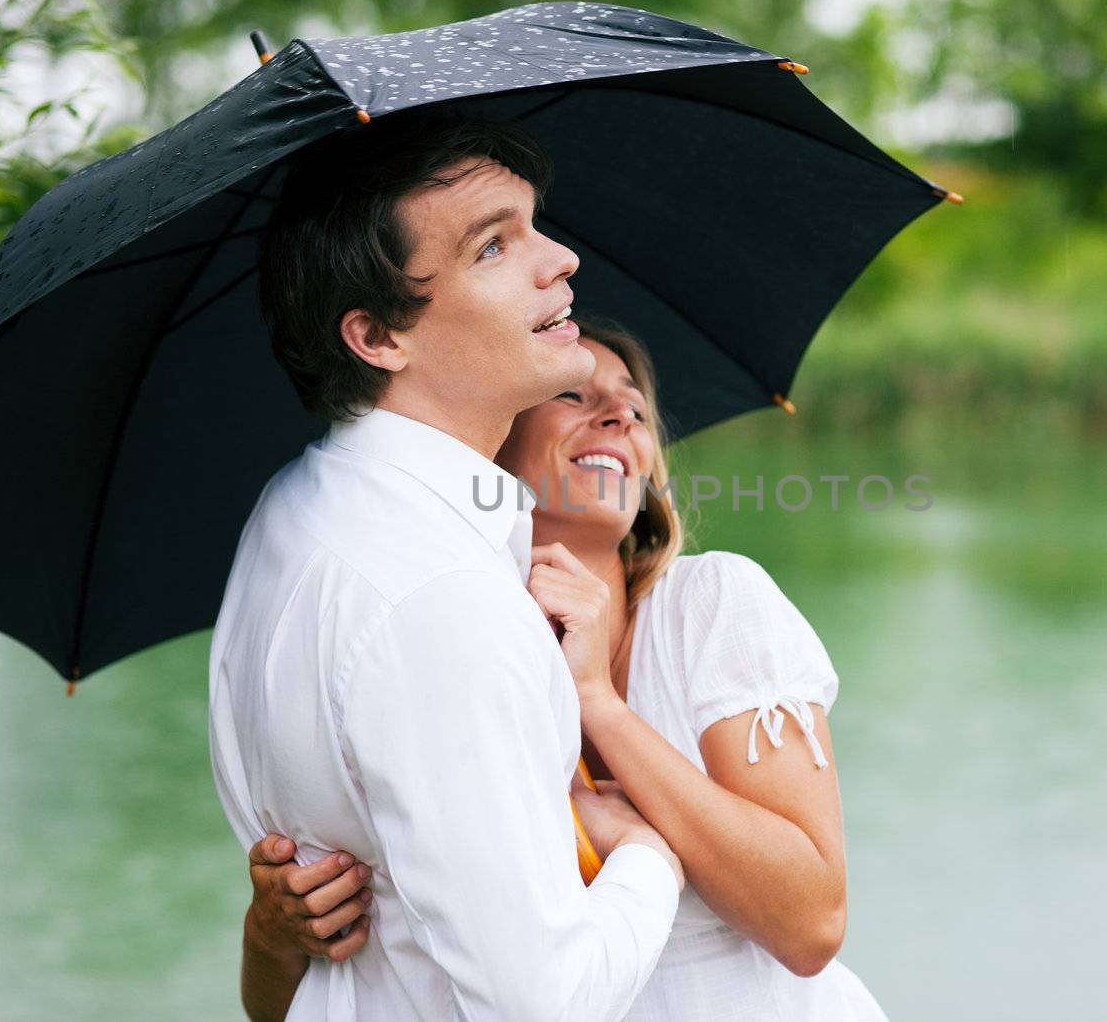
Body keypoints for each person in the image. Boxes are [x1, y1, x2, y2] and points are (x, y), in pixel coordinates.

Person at [240, 322, 890, 1020]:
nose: (617, 414)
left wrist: (598, 701)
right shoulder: (431, 645)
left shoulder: (713, 606)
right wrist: (269, 937)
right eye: (573, 394)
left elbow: (812, 922)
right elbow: (296, 1006)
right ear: (494, 438)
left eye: (636, 410)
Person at [209, 111, 686, 1022]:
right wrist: (651, 856)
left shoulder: (290, 510)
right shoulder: (441, 601)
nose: (561, 260)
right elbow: (542, 1003)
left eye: (534, 223)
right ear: (379, 337)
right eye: (494, 246)